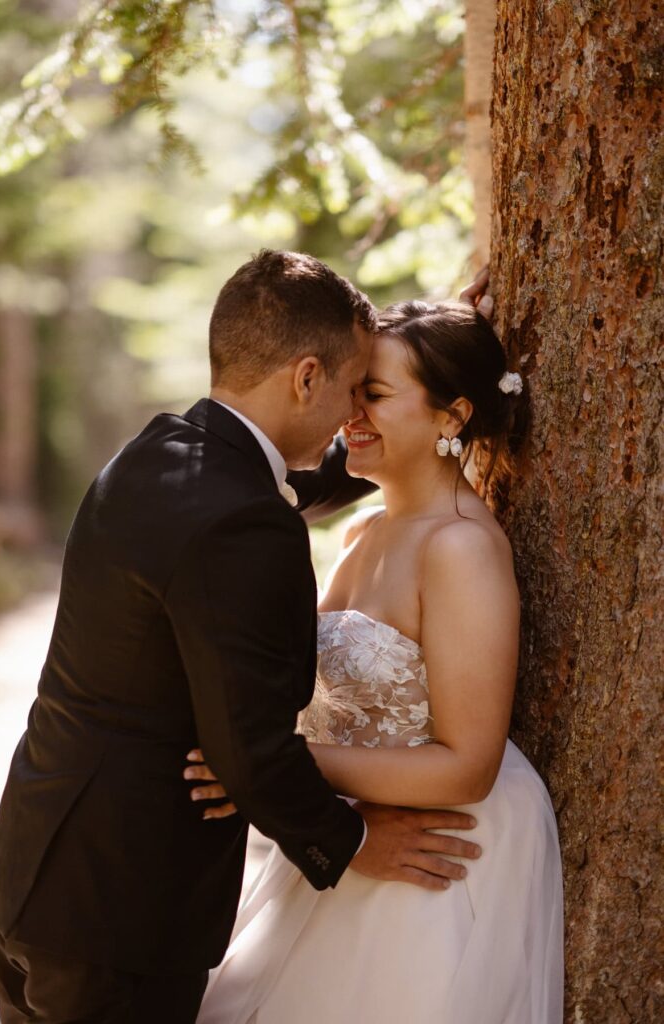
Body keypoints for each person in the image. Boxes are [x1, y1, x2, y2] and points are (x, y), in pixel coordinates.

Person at [0, 252, 484, 1024]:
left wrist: (444, 381)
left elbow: (295, 482)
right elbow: (246, 746)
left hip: (30, 880)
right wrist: (348, 842)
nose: (356, 414)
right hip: (124, 920)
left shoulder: (162, 453)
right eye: (355, 388)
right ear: (305, 378)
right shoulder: (244, 522)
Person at [189, 299, 564, 1024]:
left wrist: (269, 767)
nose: (349, 413)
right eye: (350, 391)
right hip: (356, 834)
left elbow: (467, 763)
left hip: (435, 854)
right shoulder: (363, 531)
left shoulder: (460, 549)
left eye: (376, 395)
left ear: (452, 418)